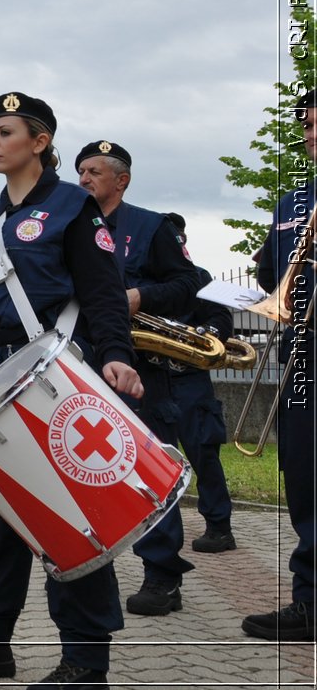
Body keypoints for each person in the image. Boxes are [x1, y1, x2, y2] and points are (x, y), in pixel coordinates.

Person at [0, 93, 143, 690]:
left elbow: (101, 292)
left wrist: (118, 356)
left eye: (5, 131)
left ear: (40, 142)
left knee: (65, 518)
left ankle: (85, 660)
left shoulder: (74, 207)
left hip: (49, 372)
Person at [74, 139, 204, 617]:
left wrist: (138, 297)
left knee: (147, 469)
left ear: (121, 180)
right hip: (83, 362)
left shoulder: (152, 226)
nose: (84, 179)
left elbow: (188, 284)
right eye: (80, 172)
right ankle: (87, 563)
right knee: (85, 468)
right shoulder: (73, 225)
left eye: (93, 172)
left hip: (142, 370)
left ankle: (162, 575)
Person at [241, 90, 316, 641]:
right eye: (307, 125)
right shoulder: (291, 203)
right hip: (303, 355)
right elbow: (272, 275)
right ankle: (310, 601)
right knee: (306, 479)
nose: (310, 134)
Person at [165, 215, 237, 554]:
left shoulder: (200, 277)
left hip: (189, 377)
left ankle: (219, 528)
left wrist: (201, 336)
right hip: (151, 378)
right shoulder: (137, 276)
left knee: (203, 453)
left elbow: (222, 318)